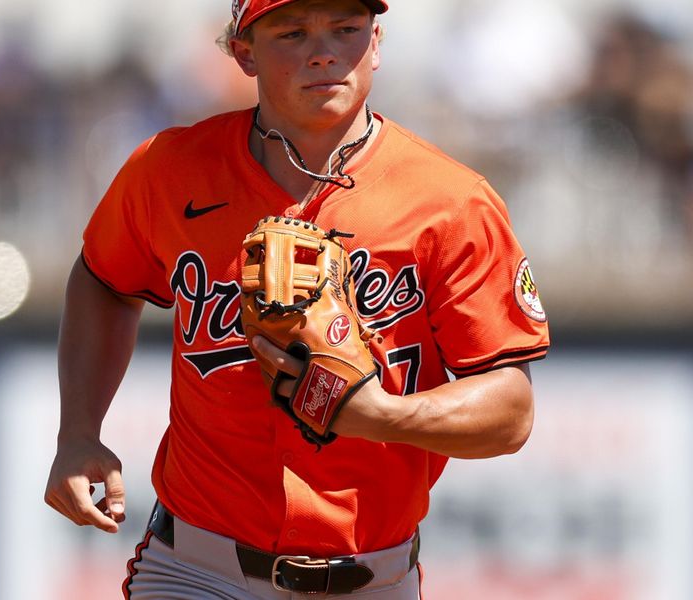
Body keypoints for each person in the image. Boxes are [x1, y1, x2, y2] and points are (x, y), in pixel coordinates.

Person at [44, 0, 550, 598]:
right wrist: (77, 430)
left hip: (370, 577)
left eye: (345, 28)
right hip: (197, 567)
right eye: (292, 32)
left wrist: (382, 416)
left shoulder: (451, 201)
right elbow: (105, 280)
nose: (324, 51)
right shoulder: (168, 169)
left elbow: (511, 410)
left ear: (377, 42)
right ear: (243, 52)